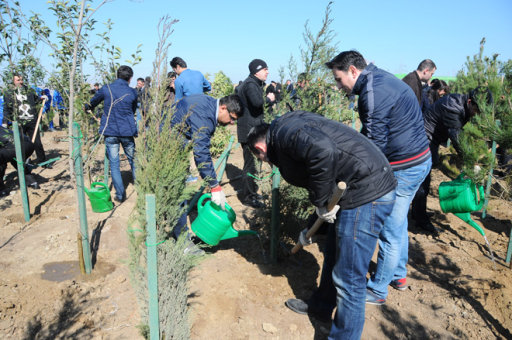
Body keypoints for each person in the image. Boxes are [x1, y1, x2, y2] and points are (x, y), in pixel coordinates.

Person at [247, 111, 397, 340]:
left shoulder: (286, 134)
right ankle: (321, 307)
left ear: (260, 150)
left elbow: (323, 151)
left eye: (261, 159)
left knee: (350, 280)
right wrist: (310, 228)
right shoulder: (286, 130)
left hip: (367, 191)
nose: (266, 164)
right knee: (333, 253)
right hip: (357, 185)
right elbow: (321, 176)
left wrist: (320, 203)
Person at [325, 51, 432, 307]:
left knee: (388, 230)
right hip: (420, 159)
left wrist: (353, 178)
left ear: (353, 70)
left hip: (405, 167)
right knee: (399, 221)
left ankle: (378, 289)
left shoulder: (372, 94)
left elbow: (374, 148)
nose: (339, 87)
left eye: (339, 80)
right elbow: (372, 131)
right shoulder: (380, 78)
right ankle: (398, 275)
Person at [411, 87, 493, 231]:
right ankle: (420, 220)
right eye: (476, 110)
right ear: (469, 102)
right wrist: (470, 160)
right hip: (423, 137)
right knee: (423, 179)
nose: (476, 115)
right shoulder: (453, 107)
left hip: (432, 138)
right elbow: (456, 136)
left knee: (426, 176)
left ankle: (418, 213)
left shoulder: (463, 106)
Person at [170, 93, 242, 238]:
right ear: (223, 108)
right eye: (232, 118)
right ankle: (181, 240)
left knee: (175, 192)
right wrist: (214, 185)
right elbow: (201, 152)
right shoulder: (205, 117)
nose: (232, 123)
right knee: (178, 193)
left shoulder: (208, 103)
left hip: (174, 139)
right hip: (167, 144)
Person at [87, 65, 138, 203]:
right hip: (127, 131)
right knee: (134, 161)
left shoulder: (106, 88)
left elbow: (92, 102)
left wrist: (88, 107)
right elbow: (132, 110)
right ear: (130, 78)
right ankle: (141, 189)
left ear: (117, 75)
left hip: (110, 132)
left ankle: (120, 195)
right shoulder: (132, 92)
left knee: (114, 164)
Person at [236, 58, 275, 208]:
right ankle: (248, 197)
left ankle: (252, 192)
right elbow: (257, 103)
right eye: (265, 69)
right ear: (257, 71)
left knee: (254, 164)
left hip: (251, 129)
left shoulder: (252, 83)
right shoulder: (251, 85)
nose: (267, 72)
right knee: (250, 165)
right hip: (249, 131)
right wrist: (269, 99)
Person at [2, 74, 49, 167]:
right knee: (22, 144)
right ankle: (25, 162)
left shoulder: (29, 90)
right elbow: (7, 108)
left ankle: (43, 161)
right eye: (18, 80)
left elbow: (36, 100)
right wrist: (5, 122)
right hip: (19, 122)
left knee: (37, 142)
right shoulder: (9, 93)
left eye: (21, 80)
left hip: (32, 120)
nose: (21, 82)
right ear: (13, 81)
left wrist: (42, 98)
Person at [0, 125, 38, 196]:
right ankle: (32, 182)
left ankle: (2, 190)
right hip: (28, 145)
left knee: (3, 159)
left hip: (16, 147)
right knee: (15, 158)